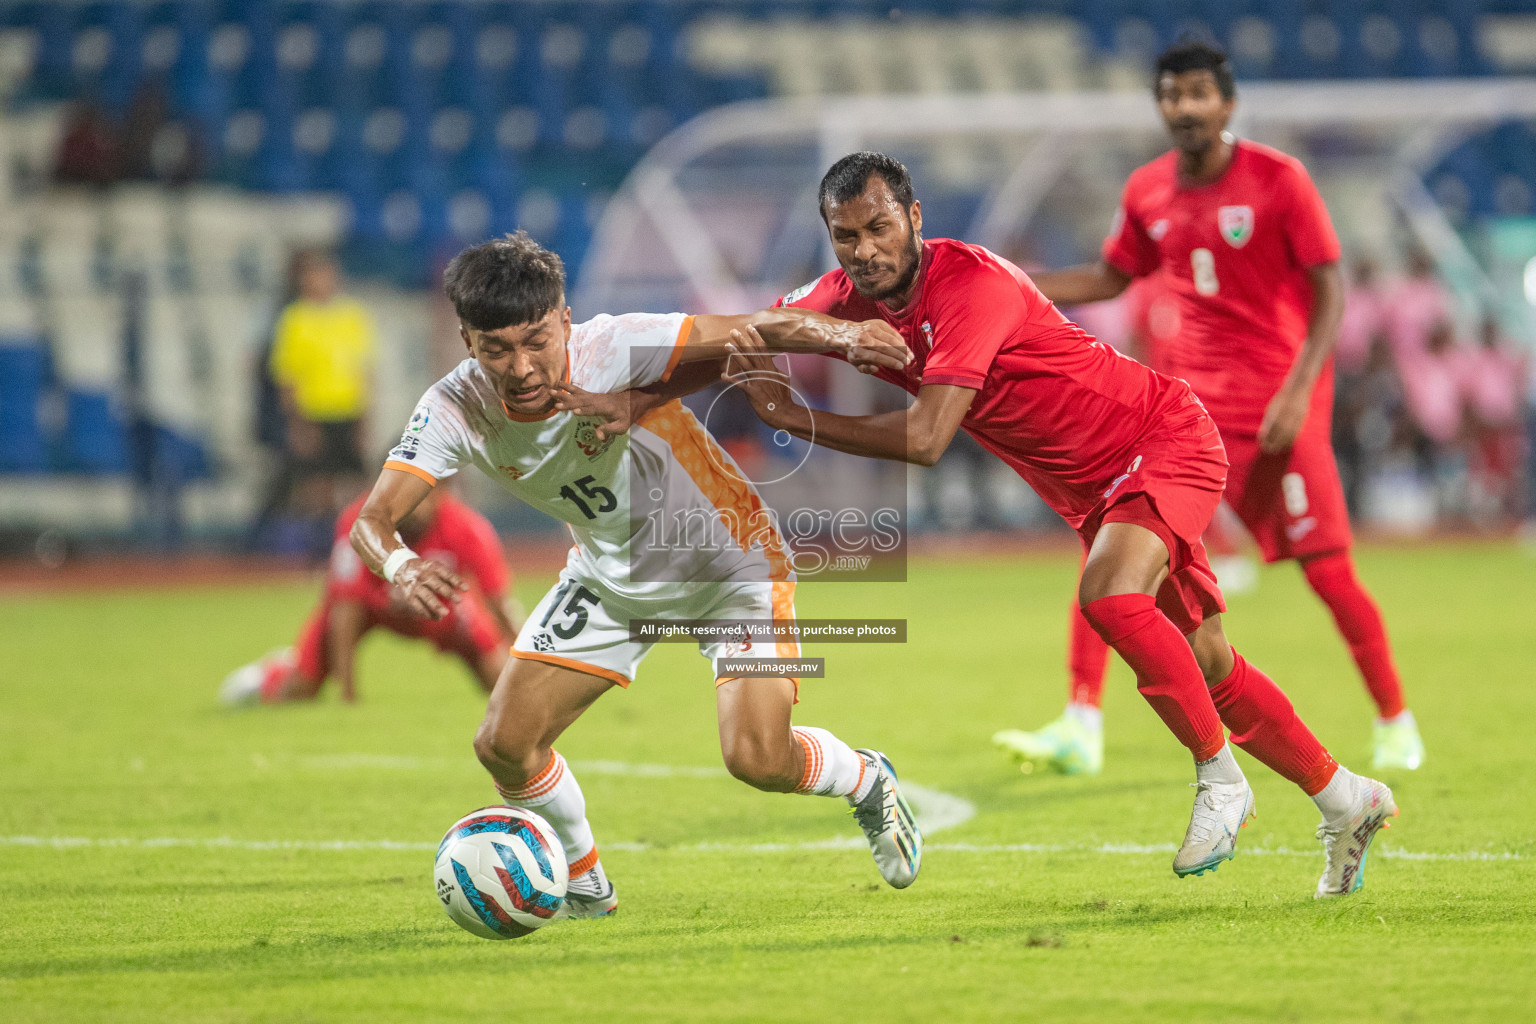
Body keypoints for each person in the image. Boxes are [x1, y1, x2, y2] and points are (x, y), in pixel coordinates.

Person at [585, 151, 1398, 896]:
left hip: (1160, 439)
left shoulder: (970, 286)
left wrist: (799, 421)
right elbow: (746, 334)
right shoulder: (846, 297)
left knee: (1111, 597)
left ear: (914, 216)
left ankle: (1220, 781)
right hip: (1089, 486)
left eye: (879, 227)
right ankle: (1345, 797)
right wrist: (635, 400)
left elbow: (927, 439)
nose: (864, 250)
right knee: (1212, 660)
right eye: (845, 237)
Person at [347, 232, 923, 920]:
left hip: (727, 564)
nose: (521, 368)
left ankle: (866, 779)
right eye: (496, 349)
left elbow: (754, 329)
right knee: (504, 745)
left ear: (564, 319)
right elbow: (372, 520)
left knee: (757, 758)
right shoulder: (455, 407)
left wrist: (845, 336)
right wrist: (402, 567)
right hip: (611, 579)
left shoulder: (614, 347)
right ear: (468, 340)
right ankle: (587, 886)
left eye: (536, 340)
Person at [992, 39, 1424, 778]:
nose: (1183, 107)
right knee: (1108, 548)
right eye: (1170, 94)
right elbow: (1110, 276)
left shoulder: (1280, 181)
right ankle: (1081, 722)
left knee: (1327, 572)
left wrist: (1298, 393)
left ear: (1227, 103)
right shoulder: (1148, 192)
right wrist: (1016, 284)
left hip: (1275, 413)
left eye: (1197, 94)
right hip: (1187, 422)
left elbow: (1330, 290)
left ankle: (1394, 720)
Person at [222, 485, 520, 705]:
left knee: (505, 688)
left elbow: (499, 602)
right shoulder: (359, 520)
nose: (417, 504)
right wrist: (348, 693)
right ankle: (270, 674)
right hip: (372, 608)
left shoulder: (468, 528)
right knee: (298, 692)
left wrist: (532, 664)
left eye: (425, 492)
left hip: (440, 612)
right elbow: (345, 603)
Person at [252, 251, 377, 555]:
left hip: (348, 410)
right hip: (313, 413)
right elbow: (287, 377)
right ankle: (316, 547)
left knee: (354, 482)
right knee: (314, 484)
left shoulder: (352, 316)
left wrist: (366, 418)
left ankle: (353, 545)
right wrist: (297, 423)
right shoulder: (294, 319)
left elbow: (365, 371)